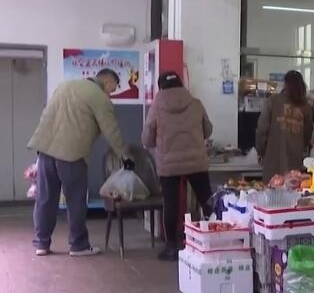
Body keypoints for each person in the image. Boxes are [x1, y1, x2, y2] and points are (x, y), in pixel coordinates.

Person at [27, 68, 132, 257]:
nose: (112, 93)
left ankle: (41, 243)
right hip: (71, 155)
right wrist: (125, 156)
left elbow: (46, 115)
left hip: (45, 151)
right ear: (108, 82)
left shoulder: (63, 87)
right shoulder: (100, 98)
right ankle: (78, 245)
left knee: (45, 199)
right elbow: (111, 131)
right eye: (113, 88)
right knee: (75, 200)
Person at [141, 71, 213, 261]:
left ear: (161, 87)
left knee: (171, 204)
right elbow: (208, 130)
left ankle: (172, 247)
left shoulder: (156, 107)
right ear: (181, 84)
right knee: (207, 200)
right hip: (196, 161)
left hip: (169, 165)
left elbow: (147, 138)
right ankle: (215, 239)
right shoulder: (196, 103)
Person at [256, 70, 314, 181]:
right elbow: (307, 134)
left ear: (285, 84)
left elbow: (262, 129)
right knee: (293, 188)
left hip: (273, 158)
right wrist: (302, 148)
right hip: (295, 159)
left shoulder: (273, 101)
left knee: (272, 188)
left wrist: (260, 150)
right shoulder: (306, 107)